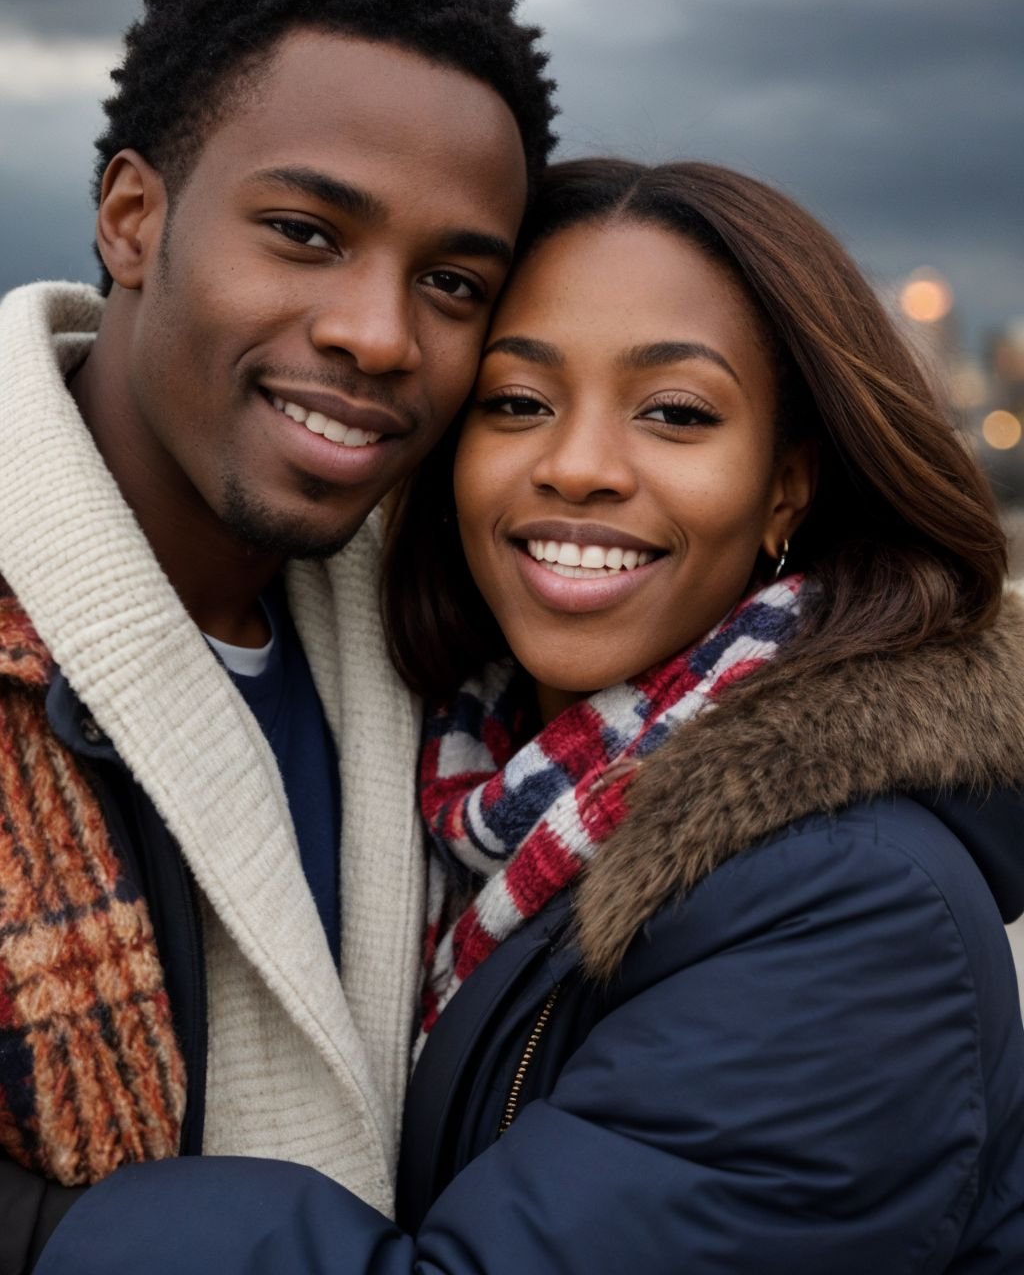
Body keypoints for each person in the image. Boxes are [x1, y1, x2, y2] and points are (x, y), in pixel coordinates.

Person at [44, 158, 1024, 1272]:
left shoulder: (850, 907)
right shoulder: (478, 792)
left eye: (674, 413)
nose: (579, 467)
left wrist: (51, 1228)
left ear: (784, 489)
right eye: (517, 403)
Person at [0, 0, 557, 1269]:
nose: (378, 333)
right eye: (307, 232)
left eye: (450, 279)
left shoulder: (472, 648)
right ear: (134, 219)